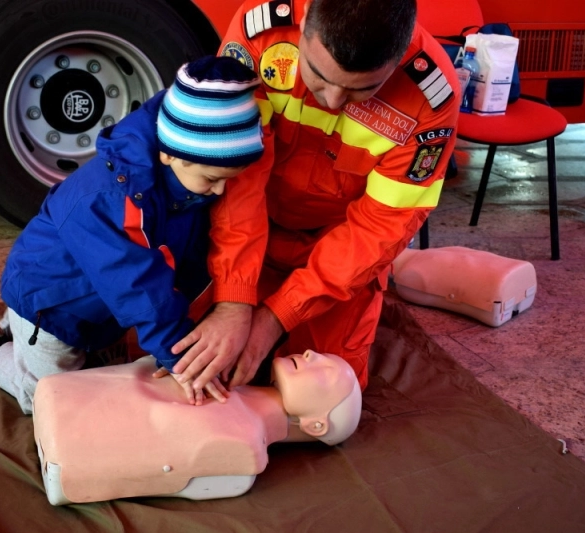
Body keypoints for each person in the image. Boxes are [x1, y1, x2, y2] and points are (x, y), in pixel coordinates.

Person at [0, 55, 266, 415]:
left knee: (109, 383)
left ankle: (10, 328)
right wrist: (179, 353)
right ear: (169, 156)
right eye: (212, 179)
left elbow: (181, 265)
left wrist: (182, 337)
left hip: (100, 308)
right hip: (52, 306)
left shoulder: (187, 185)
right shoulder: (105, 198)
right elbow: (136, 284)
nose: (222, 192)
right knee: (52, 402)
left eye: (229, 179)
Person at [169, 0, 461, 394]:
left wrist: (277, 315)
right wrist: (234, 299)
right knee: (179, 354)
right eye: (319, 77)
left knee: (325, 395)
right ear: (304, 24)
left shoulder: (430, 99)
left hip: (335, 249)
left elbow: (381, 227)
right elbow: (239, 179)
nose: (334, 101)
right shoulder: (262, 34)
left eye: (364, 89)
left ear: (400, 52)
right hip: (246, 231)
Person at [32, 349, 362, 504]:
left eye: (327, 370)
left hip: (70, 448)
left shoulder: (243, 446)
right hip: (65, 401)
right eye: (321, 355)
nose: (310, 353)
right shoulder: (228, 371)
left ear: (316, 424)